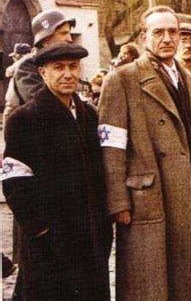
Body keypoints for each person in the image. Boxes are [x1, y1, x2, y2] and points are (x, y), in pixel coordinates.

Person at [98, 5, 191, 301]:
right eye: (158, 32)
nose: (167, 39)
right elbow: (111, 146)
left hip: (190, 192)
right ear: (143, 37)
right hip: (149, 196)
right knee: (152, 280)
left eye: (173, 32)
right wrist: (118, 202)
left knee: (190, 274)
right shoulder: (122, 79)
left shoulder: (190, 80)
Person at [1, 43, 112, 300]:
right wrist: (41, 231)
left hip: (91, 238)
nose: (67, 74)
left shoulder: (90, 116)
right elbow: (16, 185)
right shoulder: (25, 119)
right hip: (51, 243)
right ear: (42, 72)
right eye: (58, 67)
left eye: (73, 67)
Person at [14, 9, 75, 104]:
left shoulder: (63, 62)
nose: (70, 39)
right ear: (46, 38)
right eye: (64, 33)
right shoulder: (28, 65)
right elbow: (42, 104)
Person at [3, 43, 32, 123]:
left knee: (8, 119)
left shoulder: (24, 62)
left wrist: (23, 59)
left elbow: (8, 72)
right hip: (23, 100)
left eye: (15, 56)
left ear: (19, 55)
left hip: (16, 101)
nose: (13, 58)